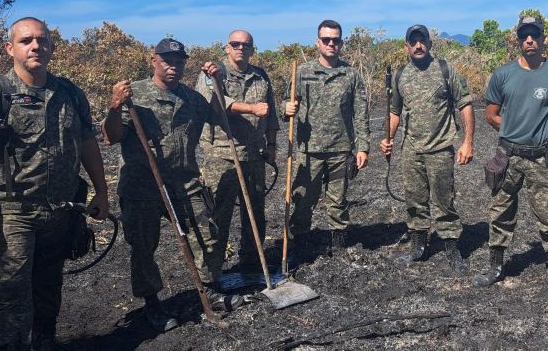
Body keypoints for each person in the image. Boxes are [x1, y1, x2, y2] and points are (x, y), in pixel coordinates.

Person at [0, 17, 109, 351]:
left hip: (61, 210)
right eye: (26, 40)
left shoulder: (69, 92)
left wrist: (101, 190)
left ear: (52, 47)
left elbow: (87, 142)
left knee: (47, 286)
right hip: (12, 213)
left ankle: (44, 341)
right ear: (10, 48)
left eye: (42, 40)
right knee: (10, 292)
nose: (35, 46)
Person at [102, 38, 243, 331]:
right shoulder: (134, 95)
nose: (173, 67)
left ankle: (209, 289)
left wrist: (217, 81)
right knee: (143, 246)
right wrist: (115, 107)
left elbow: (217, 114)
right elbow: (110, 137)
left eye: (179, 62)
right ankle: (152, 303)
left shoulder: (192, 98)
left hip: (185, 181)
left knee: (207, 233)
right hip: (143, 184)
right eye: (167, 60)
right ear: (153, 60)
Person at [472, 16, 548, 297]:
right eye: (524, 35)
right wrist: (511, 131)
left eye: (534, 35)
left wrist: (545, 132)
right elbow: (491, 115)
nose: (529, 40)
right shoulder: (503, 75)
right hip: (507, 157)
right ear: (518, 40)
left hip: (540, 160)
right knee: (500, 213)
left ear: (543, 38)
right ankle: (496, 267)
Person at [380, 24, 474, 274]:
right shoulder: (401, 74)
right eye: (414, 41)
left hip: (441, 148)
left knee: (445, 201)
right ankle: (418, 247)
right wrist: (387, 138)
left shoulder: (445, 70)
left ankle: (452, 248)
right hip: (410, 150)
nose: (419, 45)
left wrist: (467, 142)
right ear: (407, 46)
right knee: (415, 201)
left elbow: (465, 104)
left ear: (430, 44)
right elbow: (395, 111)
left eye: (423, 41)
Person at [283, 19, 370, 255]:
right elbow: (286, 102)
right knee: (302, 199)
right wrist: (287, 108)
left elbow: (361, 113)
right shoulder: (302, 72)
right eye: (326, 40)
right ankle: (300, 241)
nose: (331, 44)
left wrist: (363, 147)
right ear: (317, 42)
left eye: (336, 40)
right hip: (308, 149)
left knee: (338, 200)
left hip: (340, 149)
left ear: (341, 43)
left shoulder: (350, 75)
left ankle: (339, 241)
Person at [196, 30, 279, 273]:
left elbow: (271, 113)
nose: (241, 48)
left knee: (255, 213)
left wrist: (272, 145)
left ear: (252, 49)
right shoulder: (213, 73)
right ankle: (214, 267)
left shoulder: (260, 76)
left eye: (246, 45)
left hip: (255, 154)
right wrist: (250, 108)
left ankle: (251, 261)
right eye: (236, 44)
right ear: (227, 47)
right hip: (222, 155)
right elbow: (214, 101)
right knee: (218, 214)